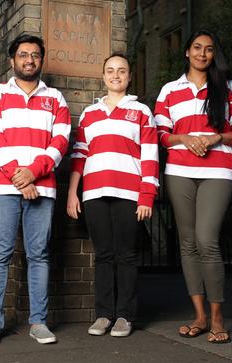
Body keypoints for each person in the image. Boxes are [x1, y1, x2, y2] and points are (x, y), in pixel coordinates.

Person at [153, 30, 232, 344]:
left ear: (213, 55)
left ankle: (218, 316)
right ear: (186, 52)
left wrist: (216, 138)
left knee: (206, 239)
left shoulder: (227, 89)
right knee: (187, 242)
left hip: (217, 170)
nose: (202, 53)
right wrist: (183, 139)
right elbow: (159, 134)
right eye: (197, 47)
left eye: (209, 49)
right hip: (179, 169)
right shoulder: (170, 90)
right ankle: (199, 315)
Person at [0, 34, 71, 346]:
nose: (29, 60)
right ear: (12, 60)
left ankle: (39, 322)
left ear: (41, 60)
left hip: (41, 187)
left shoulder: (56, 98)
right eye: (23, 55)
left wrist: (34, 173)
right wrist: (21, 177)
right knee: (0, 253)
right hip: (3, 187)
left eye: (34, 55)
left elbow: (60, 142)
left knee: (39, 255)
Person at [67, 53, 159, 337]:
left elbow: (151, 156)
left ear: (129, 76)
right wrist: (73, 192)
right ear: (103, 76)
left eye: (121, 71)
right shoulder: (89, 114)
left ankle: (125, 316)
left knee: (126, 255)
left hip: (129, 193)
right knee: (104, 255)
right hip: (94, 193)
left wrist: (147, 196)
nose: (115, 75)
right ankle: (104, 314)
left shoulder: (142, 111)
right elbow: (79, 155)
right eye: (110, 71)